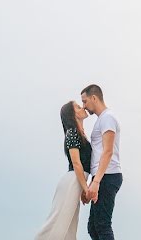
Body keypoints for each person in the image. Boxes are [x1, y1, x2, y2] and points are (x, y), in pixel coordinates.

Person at [34, 101, 92, 240]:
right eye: (78, 106)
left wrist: (83, 188)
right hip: (72, 182)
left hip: (77, 182)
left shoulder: (80, 134)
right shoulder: (72, 133)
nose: (82, 107)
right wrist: (86, 189)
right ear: (72, 115)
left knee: (69, 229)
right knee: (57, 225)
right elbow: (77, 163)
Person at [80, 84, 122, 240]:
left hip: (108, 176)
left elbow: (108, 151)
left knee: (102, 225)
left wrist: (96, 181)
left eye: (85, 102)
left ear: (94, 98)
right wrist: (92, 183)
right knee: (93, 227)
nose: (84, 106)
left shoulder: (108, 117)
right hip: (101, 176)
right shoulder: (102, 119)